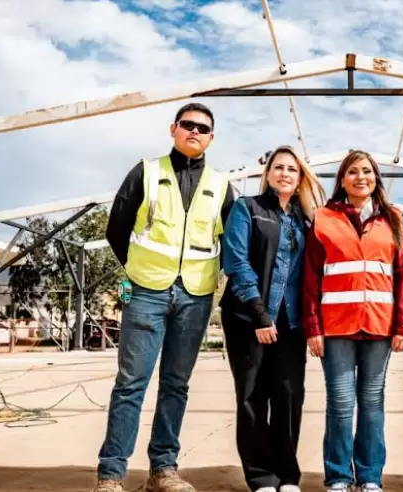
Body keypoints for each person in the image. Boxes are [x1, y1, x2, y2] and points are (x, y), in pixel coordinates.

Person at [95, 102, 235, 492]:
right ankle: (111, 474)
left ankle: (163, 470)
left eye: (203, 128)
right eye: (188, 125)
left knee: (176, 385)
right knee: (131, 383)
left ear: (212, 137)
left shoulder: (221, 186)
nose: (195, 132)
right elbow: (116, 228)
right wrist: (139, 271)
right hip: (147, 291)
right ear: (173, 129)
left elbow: (232, 243)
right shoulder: (147, 172)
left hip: (195, 296)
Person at [302, 150, 403, 492]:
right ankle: (338, 476)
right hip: (336, 327)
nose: (360, 177)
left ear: (376, 178)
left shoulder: (393, 218)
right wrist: (313, 328)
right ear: (342, 180)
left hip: (380, 326)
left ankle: (369, 477)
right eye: (352, 171)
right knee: (340, 403)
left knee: (372, 403)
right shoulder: (323, 218)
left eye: (367, 171)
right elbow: (310, 278)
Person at [219, 145, 326, 492]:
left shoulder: (305, 219)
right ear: (267, 174)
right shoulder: (247, 208)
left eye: (292, 169)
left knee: (289, 395)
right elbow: (236, 262)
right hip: (248, 317)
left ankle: (287, 474)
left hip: (291, 322)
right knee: (252, 396)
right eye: (278, 167)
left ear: (300, 177)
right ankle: (261, 476)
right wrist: (260, 315)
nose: (285, 174)